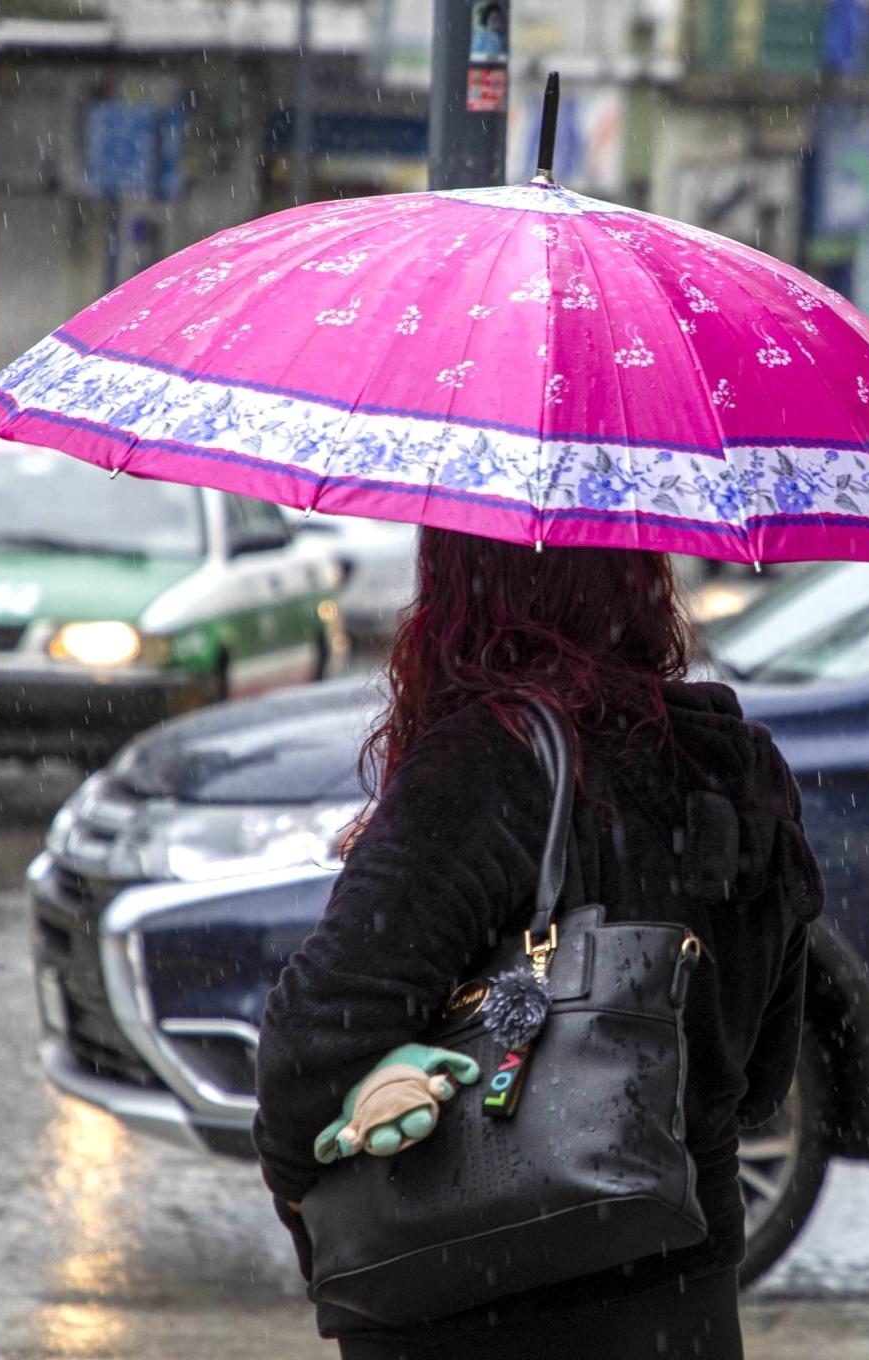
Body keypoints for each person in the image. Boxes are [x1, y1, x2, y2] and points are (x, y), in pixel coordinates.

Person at [253, 527, 823, 1360]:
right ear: (642, 573)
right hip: (681, 1292)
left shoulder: (485, 762)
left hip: (478, 1288)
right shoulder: (739, 765)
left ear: (457, 588)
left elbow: (315, 1044)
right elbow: (764, 1077)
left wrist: (305, 1196)